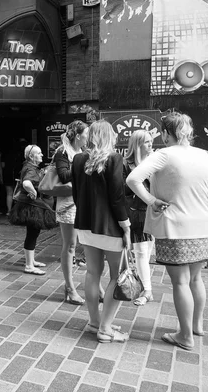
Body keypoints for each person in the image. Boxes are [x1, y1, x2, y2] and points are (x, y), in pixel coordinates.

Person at [127, 112, 208, 350]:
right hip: (205, 227)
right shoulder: (207, 155)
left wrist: (151, 200)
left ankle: (185, 336)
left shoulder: (163, 155)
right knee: (196, 279)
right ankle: (196, 326)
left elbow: (133, 179)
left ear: (166, 133)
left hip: (175, 227)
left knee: (180, 283)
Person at [72, 120, 131, 343]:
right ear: (108, 136)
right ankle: (105, 329)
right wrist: (125, 225)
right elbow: (117, 197)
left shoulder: (78, 159)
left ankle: (95, 322)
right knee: (117, 276)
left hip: (86, 224)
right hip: (110, 226)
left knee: (92, 273)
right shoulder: (114, 158)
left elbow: (77, 194)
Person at [53, 120, 90, 304]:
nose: (88, 138)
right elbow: (63, 175)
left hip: (82, 202)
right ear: (77, 135)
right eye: (86, 134)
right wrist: (84, 165)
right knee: (70, 246)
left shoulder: (82, 152)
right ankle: (69, 287)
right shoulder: (62, 152)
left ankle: (91, 287)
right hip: (68, 204)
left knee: (85, 244)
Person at [8, 144, 56, 275]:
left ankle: (31, 261)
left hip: (31, 206)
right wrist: (33, 191)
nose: (41, 155)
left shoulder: (30, 167)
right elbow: (26, 183)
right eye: (39, 153)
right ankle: (29, 265)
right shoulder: (30, 169)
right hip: (32, 207)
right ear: (31, 156)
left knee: (32, 234)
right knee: (32, 234)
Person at [123, 130, 155, 306]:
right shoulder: (126, 164)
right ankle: (147, 290)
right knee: (141, 252)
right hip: (135, 213)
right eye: (147, 142)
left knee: (146, 253)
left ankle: (145, 287)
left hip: (152, 212)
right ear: (137, 144)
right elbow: (123, 191)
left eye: (151, 141)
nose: (151, 145)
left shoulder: (153, 162)